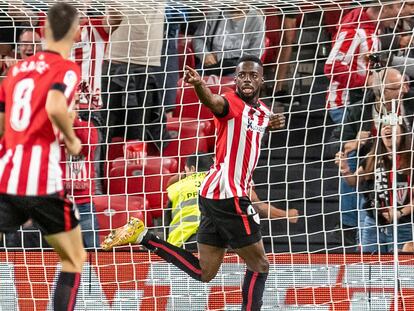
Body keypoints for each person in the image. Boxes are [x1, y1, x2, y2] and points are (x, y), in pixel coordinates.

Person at [101, 55, 286, 310]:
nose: (246, 79)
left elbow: (260, 125)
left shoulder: (263, 112)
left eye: (252, 75)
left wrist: (274, 123)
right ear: (235, 79)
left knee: (204, 272)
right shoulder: (231, 103)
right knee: (260, 266)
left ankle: (143, 235)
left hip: (211, 195)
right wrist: (199, 85)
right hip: (228, 195)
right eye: (241, 75)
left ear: (261, 80)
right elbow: (213, 101)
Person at [0, 3, 86, 311]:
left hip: (6, 177)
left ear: (43, 29)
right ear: (77, 33)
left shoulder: (16, 69)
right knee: (74, 258)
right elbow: (53, 106)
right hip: (42, 184)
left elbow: (3, 121)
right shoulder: (67, 68)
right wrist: (73, 139)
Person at [326, 67, 410, 249]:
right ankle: (348, 223)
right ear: (381, 91)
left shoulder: (410, 105)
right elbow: (334, 143)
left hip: (406, 178)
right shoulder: (359, 111)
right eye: (397, 87)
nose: (404, 90)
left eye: (404, 85)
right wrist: (354, 144)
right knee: (368, 251)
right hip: (374, 180)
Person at [165, 153, 299, 251]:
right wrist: (286, 214)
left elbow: (168, 189)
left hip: (182, 243)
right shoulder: (226, 180)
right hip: (219, 240)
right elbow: (258, 207)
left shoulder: (176, 188)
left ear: (192, 169)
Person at [335, 121, 413, 253]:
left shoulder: (411, 159)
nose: (387, 127)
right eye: (384, 126)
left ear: (403, 132)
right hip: (373, 224)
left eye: (393, 125)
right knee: (370, 269)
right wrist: (346, 170)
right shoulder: (372, 156)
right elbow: (353, 181)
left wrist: (399, 213)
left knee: (403, 269)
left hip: (403, 224)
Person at [324, 0, 402, 124]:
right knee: (356, 142)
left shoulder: (373, 29)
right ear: (385, 8)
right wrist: (367, 81)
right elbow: (331, 67)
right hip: (345, 104)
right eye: (398, 7)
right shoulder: (354, 30)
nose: (400, 12)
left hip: (361, 101)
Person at [61, 82, 100, 249]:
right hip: (58, 203)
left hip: (84, 204)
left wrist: (72, 120)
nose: (73, 107)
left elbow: (87, 144)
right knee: (54, 256)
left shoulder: (88, 128)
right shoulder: (51, 129)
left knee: (93, 256)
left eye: (76, 103)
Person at [192, 5, 265, 76]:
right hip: (210, 64)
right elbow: (198, 37)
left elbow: (255, 53)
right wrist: (204, 54)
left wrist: (219, 56)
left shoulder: (256, 19)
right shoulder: (215, 12)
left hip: (240, 67)